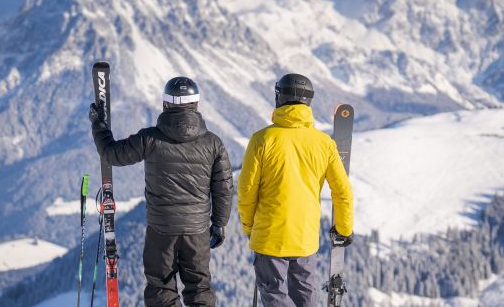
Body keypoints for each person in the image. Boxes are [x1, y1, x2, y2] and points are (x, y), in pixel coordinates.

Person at [89, 76, 233, 307]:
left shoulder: (149, 138)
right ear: (196, 104)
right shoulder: (213, 143)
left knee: (161, 289)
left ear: (166, 103)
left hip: (161, 229)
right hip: (197, 231)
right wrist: (219, 223)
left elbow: (112, 155)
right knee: (200, 288)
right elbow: (224, 187)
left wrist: (99, 126)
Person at [237, 73, 354, 307]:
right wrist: (343, 229)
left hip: (269, 236)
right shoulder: (324, 144)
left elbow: (247, 189)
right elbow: (342, 191)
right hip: (304, 237)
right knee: (305, 294)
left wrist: (249, 226)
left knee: (274, 295)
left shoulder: (262, 139)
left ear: (279, 98)